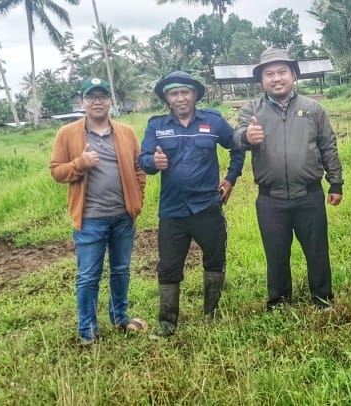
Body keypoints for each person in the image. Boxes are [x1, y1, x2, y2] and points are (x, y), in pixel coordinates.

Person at [233, 48, 343, 311]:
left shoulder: (312, 108)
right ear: (261, 80)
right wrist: (247, 137)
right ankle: (280, 300)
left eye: (282, 72)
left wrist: (335, 182)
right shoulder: (252, 110)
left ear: (294, 75)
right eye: (269, 74)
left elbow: (328, 145)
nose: (276, 78)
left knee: (317, 250)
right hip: (271, 198)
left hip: (309, 194)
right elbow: (236, 138)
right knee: (276, 253)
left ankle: (323, 297)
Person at [140, 71, 245, 337]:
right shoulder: (156, 126)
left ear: (195, 95)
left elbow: (237, 147)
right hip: (172, 211)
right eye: (174, 93)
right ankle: (167, 324)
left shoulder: (213, 122)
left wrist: (231, 178)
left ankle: (211, 313)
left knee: (215, 258)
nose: (180, 98)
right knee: (168, 266)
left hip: (207, 206)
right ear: (167, 98)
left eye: (185, 92)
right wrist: (154, 163)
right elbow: (143, 160)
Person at [50, 78, 147, 346]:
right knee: (89, 275)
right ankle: (88, 330)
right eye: (91, 97)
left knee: (121, 269)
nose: (97, 101)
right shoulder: (67, 133)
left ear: (110, 100)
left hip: (123, 215)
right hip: (90, 218)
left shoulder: (126, 132)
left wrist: (137, 200)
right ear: (82, 102)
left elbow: (139, 169)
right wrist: (80, 163)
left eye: (102, 96)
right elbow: (57, 171)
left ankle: (120, 317)